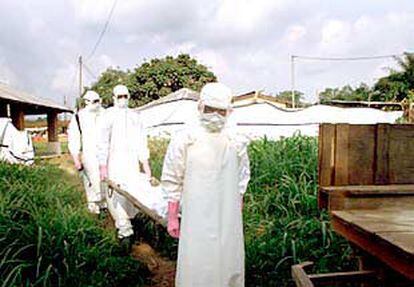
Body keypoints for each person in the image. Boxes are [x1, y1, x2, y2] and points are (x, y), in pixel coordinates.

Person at [161, 82, 251, 287]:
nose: (215, 116)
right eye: (210, 110)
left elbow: (241, 179)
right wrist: (173, 216)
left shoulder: (235, 141)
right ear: (200, 107)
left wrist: (238, 208)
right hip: (196, 216)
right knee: (198, 260)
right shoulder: (185, 139)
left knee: (228, 258)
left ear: (229, 112)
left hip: (227, 215)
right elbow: (172, 178)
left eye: (221, 112)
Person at [97, 84, 152, 246]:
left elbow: (142, 141)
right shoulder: (108, 116)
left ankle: (129, 223)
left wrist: (146, 165)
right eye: (119, 96)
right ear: (113, 98)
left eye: (125, 96)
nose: (122, 99)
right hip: (114, 162)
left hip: (132, 162)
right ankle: (124, 231)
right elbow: (102, 142)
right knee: (117, 196)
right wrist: (103, 166)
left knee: (131, 193)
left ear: (129, 97)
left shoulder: (135, 116)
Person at [68, 90, 106, 214]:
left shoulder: (106, 114)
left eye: (97, 101)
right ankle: (94, 208)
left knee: (105, 180)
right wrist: (76, 159)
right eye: (92, 101)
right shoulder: (79, 117)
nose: (95, 104)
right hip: (88, 153)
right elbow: (74, 138)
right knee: (91, 180)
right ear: (86, 102)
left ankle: (106, 207)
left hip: (106, 153)